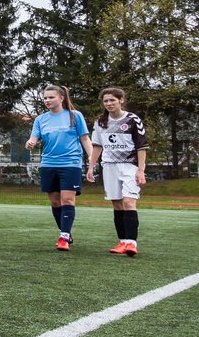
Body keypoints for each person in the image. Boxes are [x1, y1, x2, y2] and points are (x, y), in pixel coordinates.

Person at [25, 84, 95, 251]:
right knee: (55, 201)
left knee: (68, 199)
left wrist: (92, 157)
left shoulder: (75, 116)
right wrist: (31, 142)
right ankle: (65, 232)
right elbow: (34, 137)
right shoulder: (40, 119)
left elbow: (84, 139)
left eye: (51, 97)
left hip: (71, 164)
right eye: (45, 98)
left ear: (61, 98)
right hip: (48, 164)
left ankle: (64, 237)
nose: (47, 100)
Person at [87, 87, 148, 257]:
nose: (109, 104)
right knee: (117, 204)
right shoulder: (100, 122)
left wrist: (141, 170)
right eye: (105, 101)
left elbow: (141, 147)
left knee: (129, 202)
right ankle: (122, 241)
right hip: (109, 166)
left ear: (121, 100)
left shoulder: (132, 119)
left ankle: (132, 243)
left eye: (112, 100)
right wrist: (91, 167)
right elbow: (97, 146)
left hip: (130, 166)